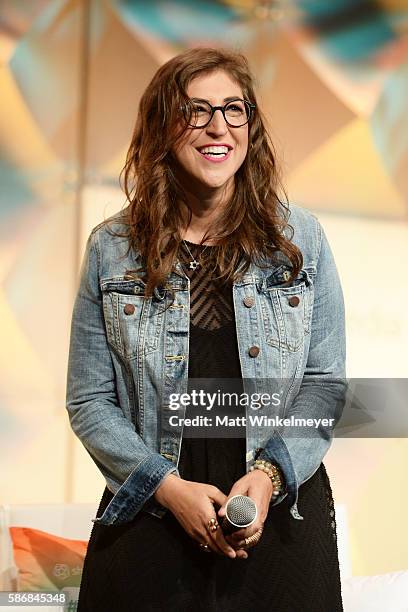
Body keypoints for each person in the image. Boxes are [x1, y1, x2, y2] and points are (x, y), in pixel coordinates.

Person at [66, 47, 347, 611]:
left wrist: (268, 477)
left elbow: (325, 384)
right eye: (195, 111)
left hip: (278, 506)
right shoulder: (112, 250)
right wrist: (167, 489)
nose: (218, 127)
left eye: (233, 109)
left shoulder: (301, 240)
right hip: (153, 508)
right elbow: (90, 401)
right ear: (163, 128)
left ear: (251, 126)